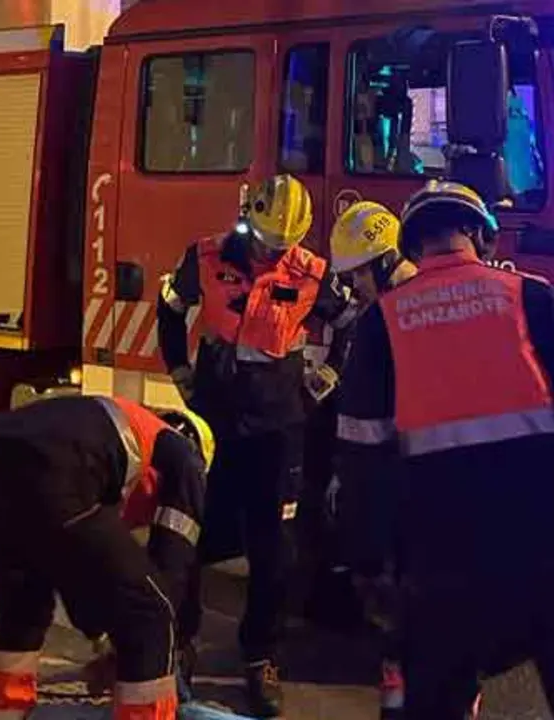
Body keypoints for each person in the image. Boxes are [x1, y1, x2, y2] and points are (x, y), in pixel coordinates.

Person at [335, 180, 554, 720]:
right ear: (483, 238)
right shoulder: (535, 300)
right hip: (551, 554)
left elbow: (362, 469)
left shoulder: (378, 327)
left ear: (411, 248)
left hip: (439, 571)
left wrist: (371, 573)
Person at [156, 174, 356, 717]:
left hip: (277, 422)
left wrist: (327, 379)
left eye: (282, 244)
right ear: (249, 218)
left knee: (274, 550)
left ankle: (259, 655)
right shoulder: (206, 257)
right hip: (216, 413)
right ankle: (180, 645)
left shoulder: (311, 273)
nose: (273, 252)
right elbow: (170, 308)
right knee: (190, 535)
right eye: (266, 240)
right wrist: (179, 370)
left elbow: (350, 321)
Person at [0, 393, 214, 720]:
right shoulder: (184, 457)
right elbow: (172, 571)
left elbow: (75, 570)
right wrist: (144, 647)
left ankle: (3, 715)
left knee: (23, 606)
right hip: (53, 472)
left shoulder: (114, 428)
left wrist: (104, 638)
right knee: (151, 613)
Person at [301, 201, 419, 717]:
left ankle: (404, 689)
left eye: (357, 276)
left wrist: (345, 482)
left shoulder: (392, 315)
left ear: (381, 261)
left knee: (396, 595)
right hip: (436, 476)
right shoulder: (418, 301)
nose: (354, 290)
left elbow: (371, 415)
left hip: (401, 478)